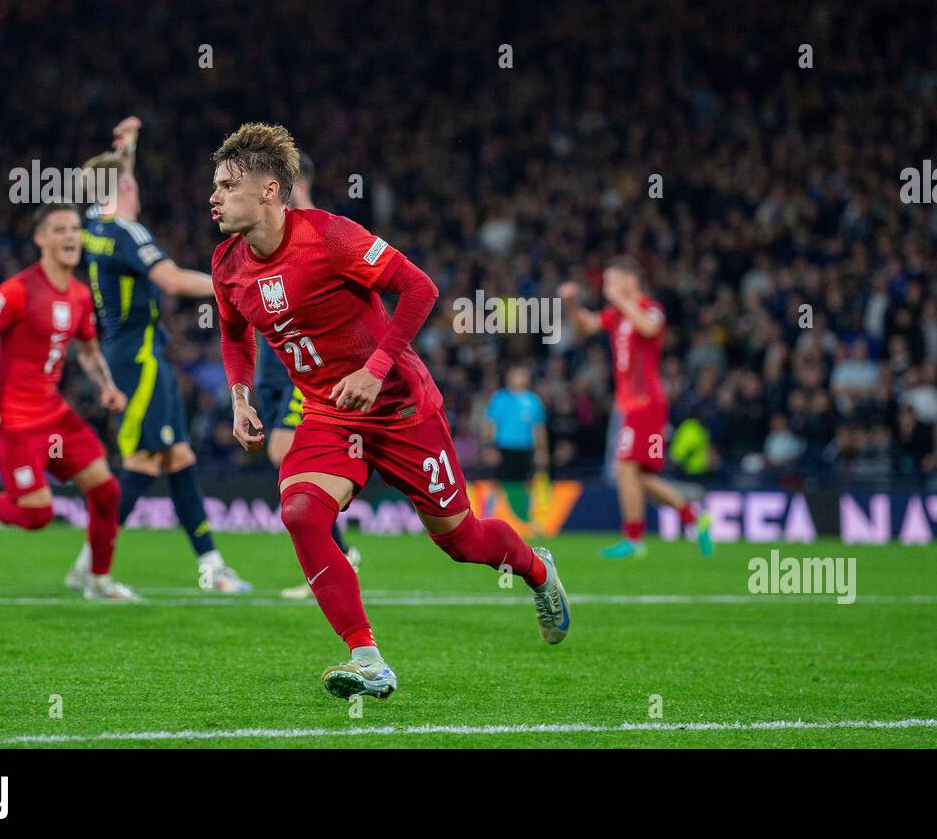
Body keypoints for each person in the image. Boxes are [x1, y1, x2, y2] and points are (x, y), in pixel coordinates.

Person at [208, 122, 570, 699]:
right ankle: (367, 657)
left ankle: (537, 570)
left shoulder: (331, 237)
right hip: (329, 412)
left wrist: (375, 368)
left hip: (401, 407)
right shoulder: (226, 264)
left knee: (462, 541)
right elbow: (233, 336)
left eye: (227, 186)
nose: (215, 198)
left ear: (269, 190)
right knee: (301, 511)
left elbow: (420, 288)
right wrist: (240, 397)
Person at [75, 116, 251, 593]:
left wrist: (127, 146)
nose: (138, 185)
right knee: (145, 461)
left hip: (133, 354)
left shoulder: (94, 223)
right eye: (132, 179)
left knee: (177, 455)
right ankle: (92, 563)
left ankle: (211, 564)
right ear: (125, 187)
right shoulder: (128, 235)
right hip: (138, 361)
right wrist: (229, 285)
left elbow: (112, 178)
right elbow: (171, 280)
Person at [0, 202, 138, 601]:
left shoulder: (80, 296)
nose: (70, 236)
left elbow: (87, 350)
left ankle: (96, 579)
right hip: (15, 421)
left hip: (55, 415)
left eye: (74, 229)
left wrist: (106, 385)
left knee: (106, 491)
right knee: (38, 515)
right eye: (59, 230)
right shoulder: (18, 289)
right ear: (41, 239)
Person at [255, 153, 362, 601]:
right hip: (274, 369)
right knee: (279, 457)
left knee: (286, 453)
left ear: (295, 187)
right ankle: (338, 552)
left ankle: (334, 556)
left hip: (309, 373)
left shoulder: (322, 234)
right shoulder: (265, 239)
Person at [560, 258, 712, 558]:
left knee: (624, 467)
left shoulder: (649, 307)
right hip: (630, 405)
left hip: (647, 402)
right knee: (637, 475)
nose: (607, 288)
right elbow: (586, 326)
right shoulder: (616, 314)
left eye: (612, 281)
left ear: (630, 281)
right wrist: (572, 304)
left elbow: (649, 328)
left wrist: (621, 299)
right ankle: (693, 516)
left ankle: (635, 539)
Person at [482, 363, 549, 521]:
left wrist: (541, 451)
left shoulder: (533, 401)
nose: (520, 378)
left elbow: (539, 428)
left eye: (523, 374)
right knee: (497, 483)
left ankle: (529, 519)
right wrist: (489, 447)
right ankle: (486, 517)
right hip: (504, 447)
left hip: (525, 447)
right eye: (517, 374)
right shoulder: (500, 398)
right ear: (509, 377)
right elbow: (490, 424)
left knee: (528, 484)